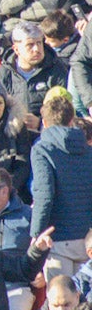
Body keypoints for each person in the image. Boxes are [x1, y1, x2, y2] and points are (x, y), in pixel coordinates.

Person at [31, 94, 92, 277]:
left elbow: (45, 194)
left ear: (45, 122)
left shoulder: (41, 150)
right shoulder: (88, 150)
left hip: (57, 239)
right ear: (72, 120)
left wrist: (36, 233)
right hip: (87, 238)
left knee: (61, 301)